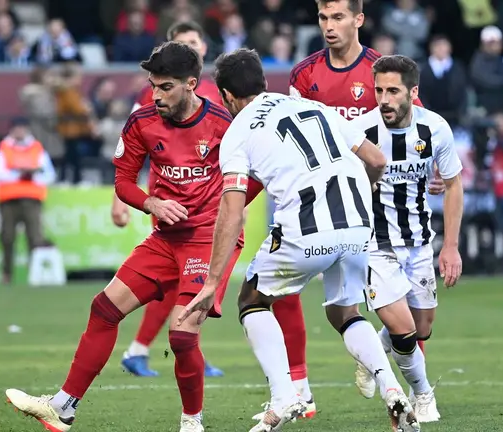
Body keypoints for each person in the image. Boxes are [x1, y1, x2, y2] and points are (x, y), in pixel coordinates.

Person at [5, 42, 262, 432]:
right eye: (153, 85)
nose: (156, 95)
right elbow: (124, 182)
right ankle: (62, 407)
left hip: (207, 241)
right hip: (165, 239)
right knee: (104, 309)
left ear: (191, 84)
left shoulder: (225, 125)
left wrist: (225, 207)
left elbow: (258, 175)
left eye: (166, 87)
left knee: (181, 334)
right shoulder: (141, 121)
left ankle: (192, 422)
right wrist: (152, 204)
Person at [178, 48, 420, 432]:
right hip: (358, 222)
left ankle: (285, 397)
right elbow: (376, 160)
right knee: (345, 312)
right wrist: (357, 202)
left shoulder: (237, 132)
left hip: (306, 226)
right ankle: (391, 388)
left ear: (225, 95)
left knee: (253, 300)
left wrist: (211, 282)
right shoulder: (311, 105)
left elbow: (232, 207)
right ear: (262, 81)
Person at [255, 0, 442, 419]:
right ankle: (301, 389)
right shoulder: (305, 74)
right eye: (323, 18)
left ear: (358, 20)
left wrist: (430, 166)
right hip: (325, 202)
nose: (329, 26)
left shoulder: (383, 69)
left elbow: (418, 124)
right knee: (283, 287)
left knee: (410, 319)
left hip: (383, 204)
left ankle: (378, 360)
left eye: (337, 17)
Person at [348, 55, 465, 423]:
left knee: (423, 328)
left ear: (413, 93)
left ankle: (372, 354)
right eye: (379, 90)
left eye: (393, 91)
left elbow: (453, 184)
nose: (384, 99)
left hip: (418, 242)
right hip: (375, 245)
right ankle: (424, 393)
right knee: (405, 330)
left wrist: (450, 246)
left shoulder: (435, 129)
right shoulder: (360, 131)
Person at [113, 20, 226, 378]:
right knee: (176, 281)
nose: (192, 46)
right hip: (169, 203)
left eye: (195, 41)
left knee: (185, 284)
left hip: (205, 206)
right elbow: (132, 148)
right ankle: (146, 348)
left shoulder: (214, 94)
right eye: (184, 42)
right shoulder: (157, 96)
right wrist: (124, 201)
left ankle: (172, 347)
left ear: (204, 48)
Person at [0, 117, 56, 284]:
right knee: (7, 237)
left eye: (22, 128)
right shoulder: (3, 148)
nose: (19, 132)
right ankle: (6, 274)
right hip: (8, 200)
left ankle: (35, 275)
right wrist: (20, 174)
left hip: (32, 200)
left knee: (35, 238)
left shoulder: (37, 149)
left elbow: (49, 175)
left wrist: (32, 174)